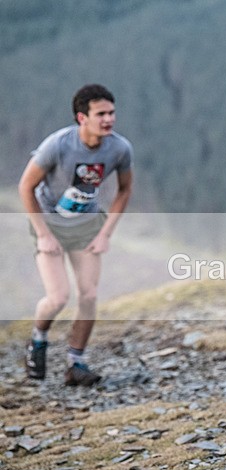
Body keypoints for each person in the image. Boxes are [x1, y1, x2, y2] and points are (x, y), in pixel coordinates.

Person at [19, 84, 134, 387]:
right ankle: (38, 339)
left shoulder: (119, 148)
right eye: (101, 114)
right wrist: (44, 234)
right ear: (82, 118)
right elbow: (25, 187)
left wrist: (106, 233)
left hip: (86, 226)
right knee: (58, 297)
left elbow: (124, 190)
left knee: (89, 295)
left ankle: (75, 363)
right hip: (50, 226)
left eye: (111, 112)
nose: (109, 119)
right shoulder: (57, 145)